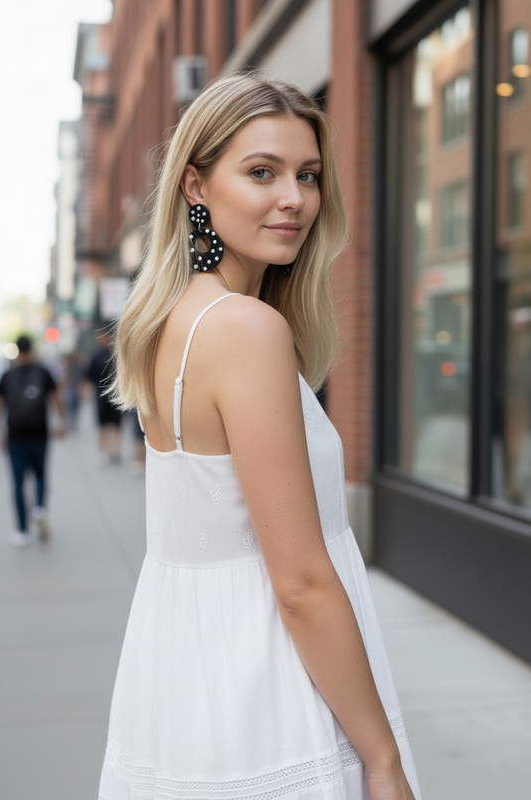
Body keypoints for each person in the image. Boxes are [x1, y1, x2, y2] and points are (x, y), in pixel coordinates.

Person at [98, 74, 422, 800]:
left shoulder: (171, 322)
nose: (294, 199)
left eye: (307, 175)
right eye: (261, 172)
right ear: (195, 185)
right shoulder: (245, 329)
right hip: (272, 688)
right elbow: (301, 582)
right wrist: (383, 760)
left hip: (193, 683)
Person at [0, 335, 66, 546]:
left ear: (18, 350)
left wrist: (1, 434)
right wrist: (61, 423)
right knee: (40, 474)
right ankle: (39, 508)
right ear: (32, 349)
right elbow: (56, 400)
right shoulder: (43, 372)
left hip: (16, 435)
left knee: (18, 481)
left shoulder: (7, 375)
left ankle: (21, 530)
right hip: (39, 433)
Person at [87, 332, 123, 465]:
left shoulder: (117, 354)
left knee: (116, 425)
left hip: (115, 395)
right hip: (101, 396)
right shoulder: (96, 355)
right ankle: (102, 452)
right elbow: (89, 375)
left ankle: (114, 450)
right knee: (102, 426)